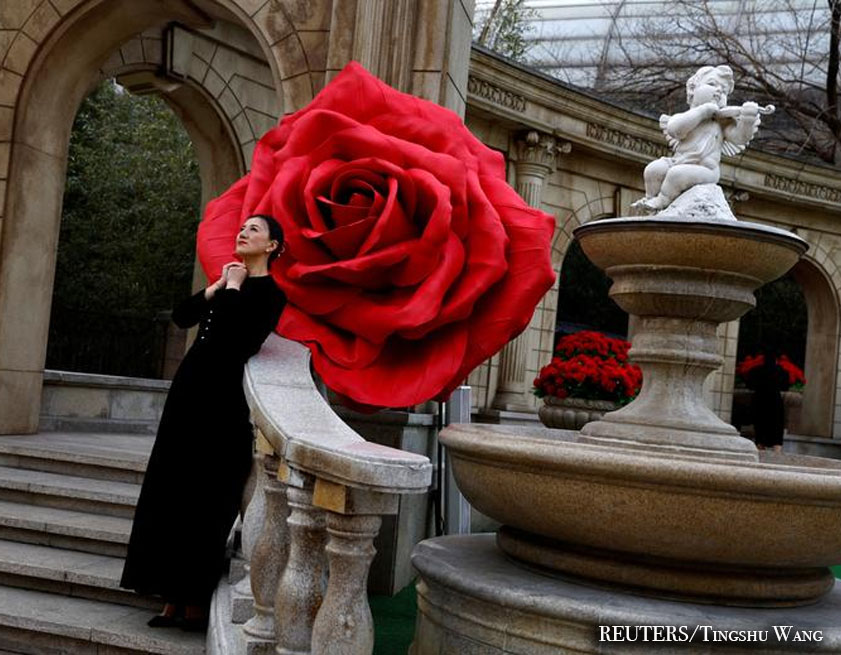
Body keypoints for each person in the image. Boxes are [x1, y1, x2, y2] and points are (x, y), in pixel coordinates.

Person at [120, 214, 287, 629]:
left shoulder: (269, 294)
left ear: (272, 247)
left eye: (254, 229)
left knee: (207, 497)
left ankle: (194, 601)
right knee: (170, 491)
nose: (243, 232)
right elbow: (181, 317)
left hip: (223, 405)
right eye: (242, 226)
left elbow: (238, 340)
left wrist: (231, 290)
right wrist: (214, 288)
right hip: (189, 396)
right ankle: (169, 598)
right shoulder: (227, 285)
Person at [633, 65, 766, 212]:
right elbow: (675, 129)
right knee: (653, 169)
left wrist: (747, 119)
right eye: (712, 84)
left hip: (707, 170)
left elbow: (739, 138)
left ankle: (663, 200)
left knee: (675, 175)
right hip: (678, 161)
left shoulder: (723, 123)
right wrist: (703, 112)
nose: (719, 91)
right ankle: (650, 199)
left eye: (724, 90)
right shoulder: (686, 117)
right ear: (692, 89)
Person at [747, 348, 787, 453]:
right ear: (776, 360)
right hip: (775, 401)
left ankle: (760, 449)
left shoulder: (756, 370)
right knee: (777, 426)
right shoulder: (780, 371)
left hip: (760, 401)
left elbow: (750, 384)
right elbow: (785, 385)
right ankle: (777, 452)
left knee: (760, 426)